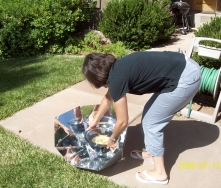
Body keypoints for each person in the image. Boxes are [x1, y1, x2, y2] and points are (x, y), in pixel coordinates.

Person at [82, 51, 201, 185]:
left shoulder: (116, 79)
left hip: (185, 78)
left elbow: (122, 122)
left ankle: (160, 173)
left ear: (96, 77)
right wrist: (96, 118)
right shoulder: (117, 68)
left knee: (151, 122)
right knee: (149, 114)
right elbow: (109, 97)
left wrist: (112, 139)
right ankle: (151, 153)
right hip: (183, 66)